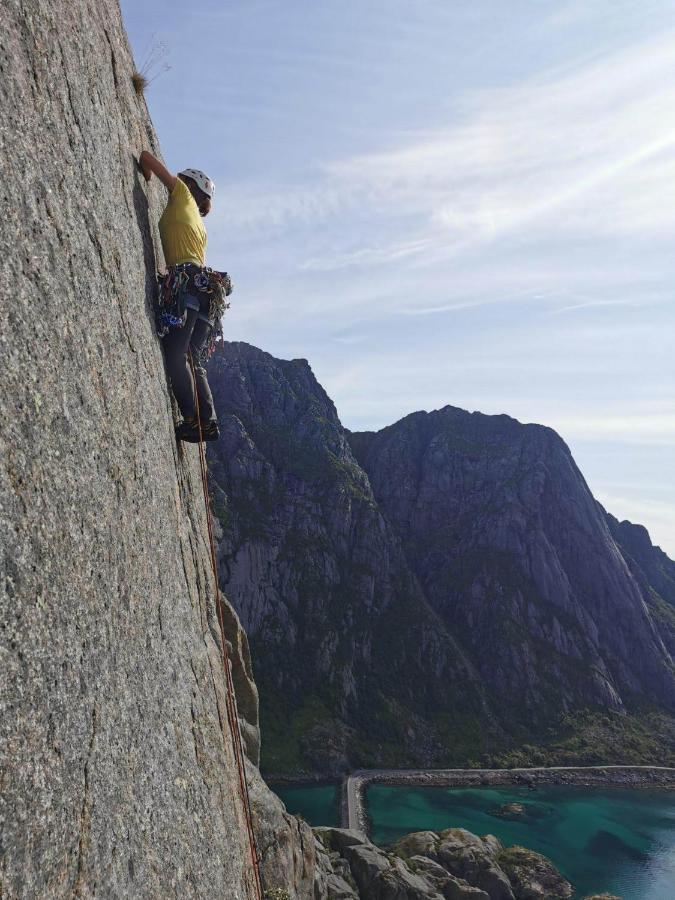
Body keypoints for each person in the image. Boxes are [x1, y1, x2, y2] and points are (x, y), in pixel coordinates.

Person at [139, 150, 221, 442]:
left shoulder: (183, 193)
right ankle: (208, 420)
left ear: (189, 184)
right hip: (207, 292)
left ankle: (191, 418)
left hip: (186, 285)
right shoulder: (201, 228)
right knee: (193, 358)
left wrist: (145, 176)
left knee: (176, 355)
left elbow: (147, 158)